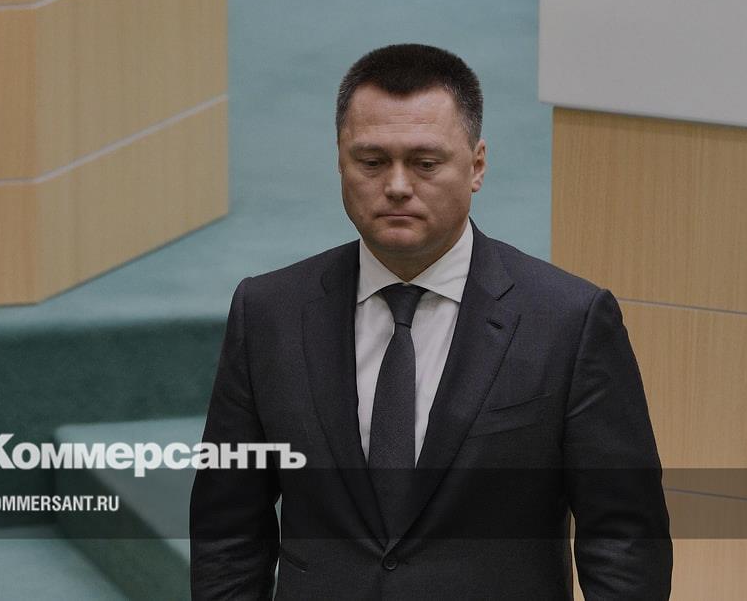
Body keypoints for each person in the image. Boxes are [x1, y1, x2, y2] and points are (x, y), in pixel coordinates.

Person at [190, 44, 671, 600]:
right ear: (340, 161)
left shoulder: (569, 320)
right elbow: (227, 528)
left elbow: (624, 540)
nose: (397, 185)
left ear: (477, 165)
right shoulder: (268, 311)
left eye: (425, 163)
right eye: (372, 162)